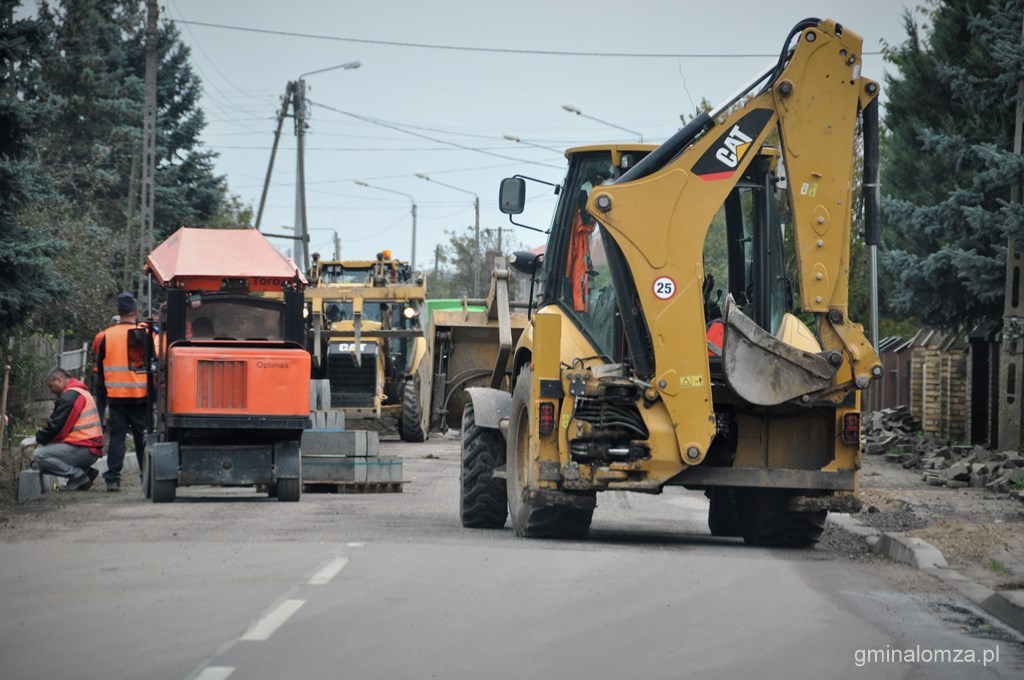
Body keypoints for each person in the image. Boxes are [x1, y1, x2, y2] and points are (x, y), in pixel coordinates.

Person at [95, 292, 153, 492]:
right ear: (136, 311)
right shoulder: (145, 335)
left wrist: (101, 405)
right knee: (141, 438)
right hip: (141, 397)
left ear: (118, 312)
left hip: (116, 398)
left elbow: (99, 373)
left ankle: (113, 478)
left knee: (117, 438)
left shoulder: (105, 336)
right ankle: (146, 474)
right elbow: (153, 366)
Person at [21, 367, 104, 491]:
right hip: (89, 448)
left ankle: (79, 476)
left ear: (58, 380)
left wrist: (36, 439)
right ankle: (85, 472)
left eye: (50, 386)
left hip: (84, 448)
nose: (51, 390)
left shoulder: (69, 396)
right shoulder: (80, 392)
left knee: (39, 456)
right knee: (44, 456)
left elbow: (56, 425)